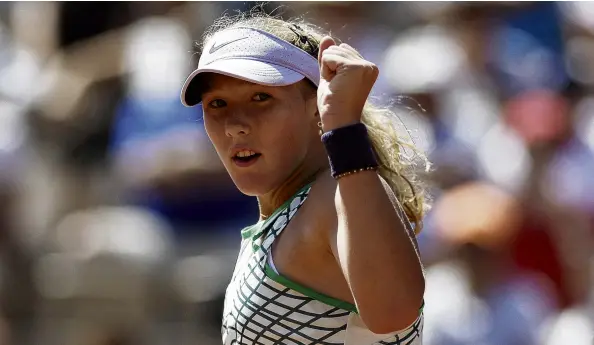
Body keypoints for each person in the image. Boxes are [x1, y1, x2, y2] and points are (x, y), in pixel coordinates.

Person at [180, 11, 429, 345]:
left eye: (260, 97)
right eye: (218, 103)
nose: (234, 124)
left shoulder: (332, 195)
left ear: (317, 103)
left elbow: (394, 312)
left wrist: (343, 127)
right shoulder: (289, 212)